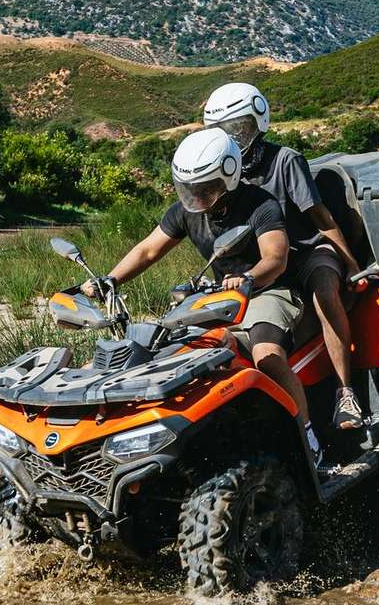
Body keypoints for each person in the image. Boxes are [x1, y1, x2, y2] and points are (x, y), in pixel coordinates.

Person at [82, 128, 325, 464]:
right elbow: (148, 250)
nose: (195, 195)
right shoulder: (187, 211)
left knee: (267, 355)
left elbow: (276, 256)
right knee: (168, 347)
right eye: (189, 188)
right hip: (216, 296)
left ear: (228, 177)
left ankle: (308, 437)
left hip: (269, 291)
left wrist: (248, 278)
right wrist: (110, 279)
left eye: (204, 187)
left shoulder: (260, 204)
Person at [201, 81, 367, 430]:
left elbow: (319, 217)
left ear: (258, 122)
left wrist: (350, 264)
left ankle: (345, 392)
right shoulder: (225, 174)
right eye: (223, 132)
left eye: (239, 128)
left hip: (307, 249)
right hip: (263, 265)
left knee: (324, 291)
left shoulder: (285, 160)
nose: (233, 138)